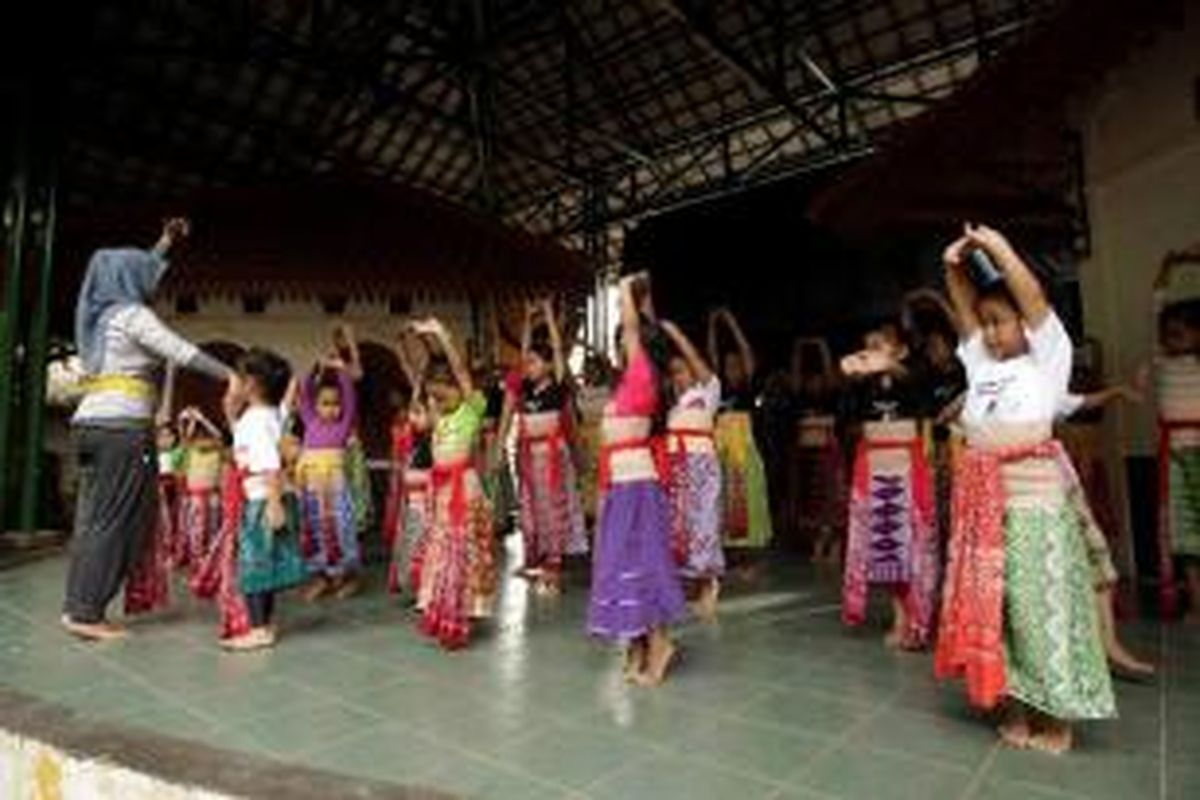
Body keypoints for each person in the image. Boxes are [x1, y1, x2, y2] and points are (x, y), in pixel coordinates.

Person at [935, 222, 1115, 754]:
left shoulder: (1046, 358)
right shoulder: (982, 363)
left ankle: (1058, 719)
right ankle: (1016, 708)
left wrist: (996, 248)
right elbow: (965, 310)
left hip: (1036, 507)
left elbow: (1031, 296)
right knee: (1004, 612)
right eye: (985, 324)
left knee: (1045, 610)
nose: (990, 333)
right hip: (988, 514)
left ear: (1026, 324)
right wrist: (951, 267)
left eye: (1000, 322)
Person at [64, 218, 236, 641]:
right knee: (117, 519)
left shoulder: (100, 316)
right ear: (129, 280)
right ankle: (87, 612)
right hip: (121, 428)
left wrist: (163, 243)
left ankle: (79, 604)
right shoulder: (132, 315)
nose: (152, 283)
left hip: (92, 424)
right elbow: (177, 349)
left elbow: (134, 268)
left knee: (94, 520)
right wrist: (232, 375)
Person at [588, 273, 687, 686]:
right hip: (621, 482)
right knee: (620, 563)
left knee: (643, 562)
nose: (621, 346)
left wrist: (627, 292)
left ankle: (660, 644)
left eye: (625, 341)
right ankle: (637, 644)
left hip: (637, 485)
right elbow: (636, 329)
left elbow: (634, 328)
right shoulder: (631, 380)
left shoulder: (644, 375)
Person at [839, 321, 940, 650]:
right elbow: (850, 415)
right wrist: (854, 376)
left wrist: (887, 365)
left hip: (906, 466)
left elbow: (915, 384)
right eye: (866, 346)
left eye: (879, 345)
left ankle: (916, 617)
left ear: (901, 350)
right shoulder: (864, 385)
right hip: (874, 464)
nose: (870, 352)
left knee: (911, 541)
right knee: (886, 544)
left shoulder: (916, 373)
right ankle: (900, 616)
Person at [411, 318, 497, 649]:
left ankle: (462, 612)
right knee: (443, 550)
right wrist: (420, 351)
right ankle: (444, 608)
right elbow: (422, 392)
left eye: (444, 391)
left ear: (461, 390)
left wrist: (442, 334)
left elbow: (459, 369)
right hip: (442, 492)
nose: (439, 397)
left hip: (465, 489)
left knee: (463, 551)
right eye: (435, 393)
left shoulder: (470, 411)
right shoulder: (441, 418)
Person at [220, 348, 307, 651]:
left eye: (238, 377)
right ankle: (265, 623)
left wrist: (272, 503)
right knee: (265, 565)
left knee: (253, 564)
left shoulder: (257, 420)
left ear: (252, 384)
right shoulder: (270, 415)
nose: (232, 382)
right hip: (273, 494)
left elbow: (269, 461)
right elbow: (282, 410)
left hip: (263, 497)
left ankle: (259, 629)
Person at [513, 298, 588, 594]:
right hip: (531, 457)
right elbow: (522, 353)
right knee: (534, 509)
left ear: (547, 364)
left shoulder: (557, 385)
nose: (529, 366)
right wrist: (529, 323)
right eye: (528, 363)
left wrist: (547, 313)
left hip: (554, 458)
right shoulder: (526, 388)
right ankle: (542, 560)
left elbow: (558, 351)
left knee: (555, 508)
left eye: (534, 362)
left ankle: (555, 566)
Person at [661, 319, 724, 621]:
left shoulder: (708, 392)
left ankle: (709, 584)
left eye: (682, 370)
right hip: (677, 468)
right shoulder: (674, 408)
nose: (677, 377)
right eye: (673, 373)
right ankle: (692, 587)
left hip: (700, 467)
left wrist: (675, 333)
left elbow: (697, 362)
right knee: (681, 525)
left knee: (704, 522)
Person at [1149, 249, 1200, 620]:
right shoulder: (1160, 359)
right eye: (1168, 328)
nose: (1173, 332)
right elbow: (1157, 302)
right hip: (1175, 459)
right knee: (1184, 538)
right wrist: (1168, 263)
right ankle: (1197, 603)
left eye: (1183, 326)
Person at [707, 307, 773, 565]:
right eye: (728, 365)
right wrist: (713, 326)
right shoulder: (717, 387)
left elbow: (745, 350)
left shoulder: (747, 386)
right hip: (721, 450)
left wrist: (731, 322)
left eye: (737, 365)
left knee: (746, 497)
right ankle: (727, 550)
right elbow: (712, 355)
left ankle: (748, 554)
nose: (732, 368)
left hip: (743, 451)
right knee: (723, 496)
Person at [296, 355, 362, 600]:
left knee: (341, 531)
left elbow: (350, 397)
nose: (331, 408)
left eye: (335, 404)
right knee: (314, 531)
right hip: (312, 491)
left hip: (335, 491)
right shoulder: (310, 420)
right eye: (325, 403)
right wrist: (315, 367)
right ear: (315, 406)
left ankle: (348, 576)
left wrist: (341, 371)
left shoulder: (343, 425)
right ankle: (322, 577)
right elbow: (304, 393)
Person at [789, 337, 846, 563]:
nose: (814, 383)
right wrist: (799, 350)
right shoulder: (800, 397)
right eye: (810, 380)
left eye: (818, 380)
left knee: (830, 502)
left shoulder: (829, 396)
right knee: (811, 504)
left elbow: (829, 373)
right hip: (807, 457)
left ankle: (833, 543)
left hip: (828, 456)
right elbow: (795, 376)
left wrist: (822, 346)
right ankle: (819, 542)